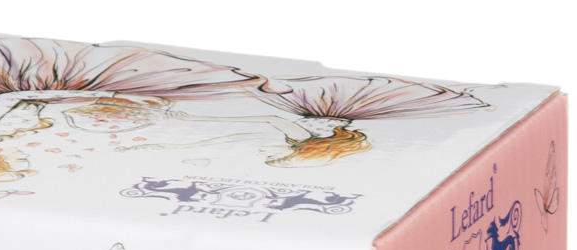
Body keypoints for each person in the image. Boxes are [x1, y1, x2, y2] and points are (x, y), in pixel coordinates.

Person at [0, 34, 283, 181]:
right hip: (52, 96)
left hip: (33, 84)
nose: (21, 161)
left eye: (12, 166)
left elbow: (11, 98)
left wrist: (98, 98)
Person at [121, 75, 491, 166]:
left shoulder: (310, 143)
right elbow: (266, 118)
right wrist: (186, 123)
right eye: (271, 158)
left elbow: (252, 130)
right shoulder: (303, 137)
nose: (263, 154)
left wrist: (167, 141)